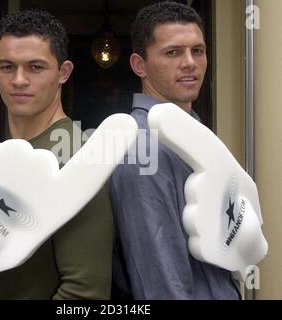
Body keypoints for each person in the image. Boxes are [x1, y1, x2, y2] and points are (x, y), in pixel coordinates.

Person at [0, 9, 114, 299]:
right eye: (6, 67)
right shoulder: (5, 153)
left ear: (63, 73)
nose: (19, 80)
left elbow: (85, 292)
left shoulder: (75, 158)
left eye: (35, 67)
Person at [109, 1, 241, 300]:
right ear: (139, 65)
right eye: (173, 52)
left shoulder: (194, 133)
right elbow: (159, 280)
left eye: (198, 50)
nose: (190, 62)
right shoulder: (142, 147)